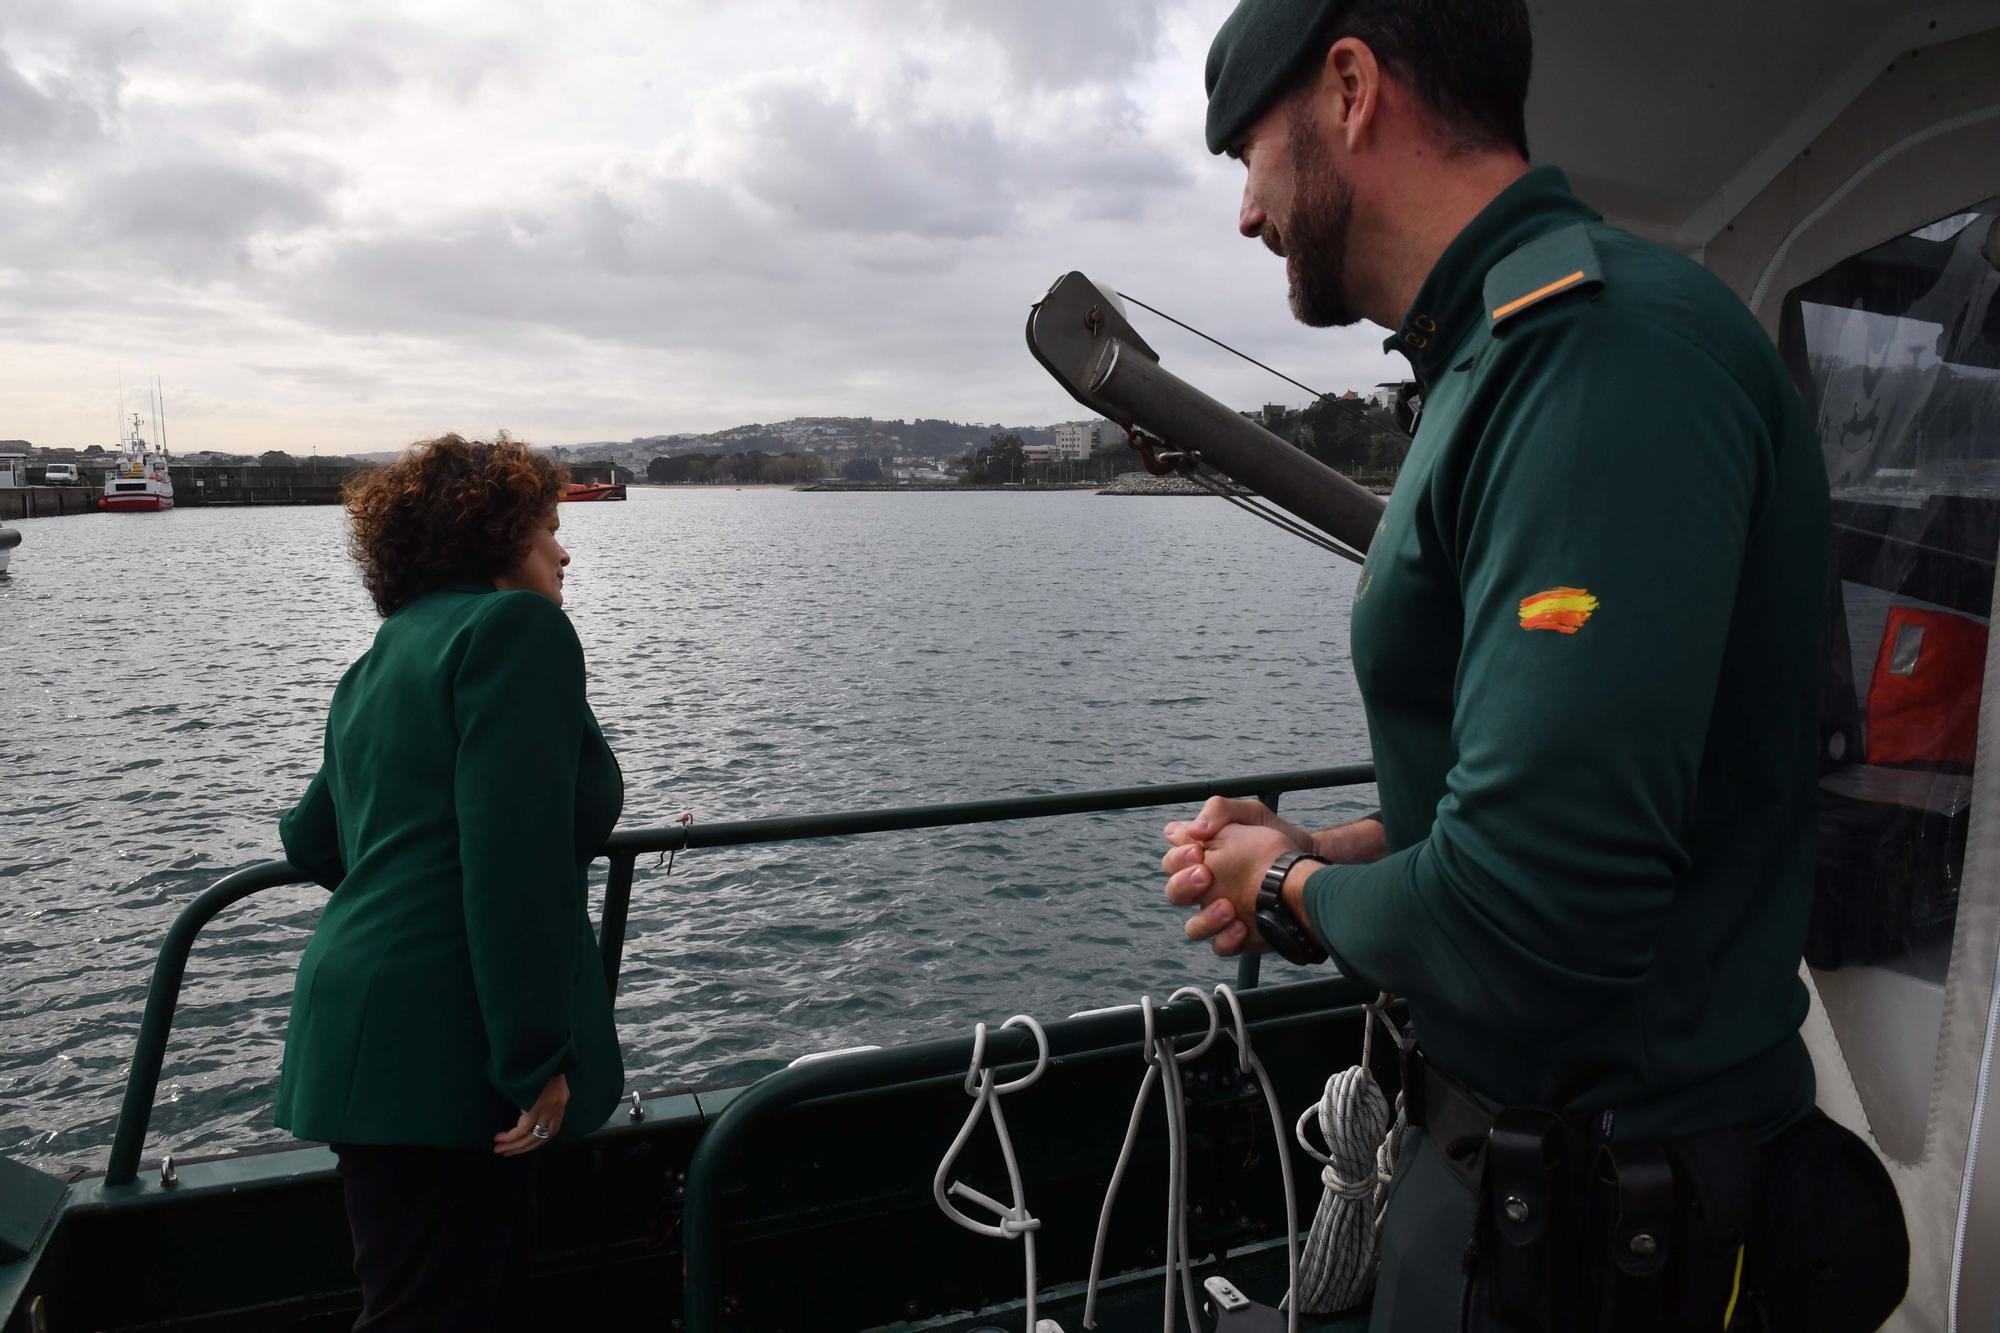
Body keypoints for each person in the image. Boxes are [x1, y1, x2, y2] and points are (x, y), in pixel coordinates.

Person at [1158, 2, 1860, 1329]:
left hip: (1613, 1236)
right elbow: (1512, 814)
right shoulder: (1495, 357)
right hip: (1525, 1196)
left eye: (1246, 155)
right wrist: (1342, 853)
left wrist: (1292, 887)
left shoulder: (1596, 351)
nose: (1247, 213)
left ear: (1351, 91)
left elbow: (1539, 909)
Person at [275, 434, 624, 1331]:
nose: (563, 549)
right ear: (496, 534)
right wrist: (536, 1057)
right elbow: (517, 867)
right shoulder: (520, 632)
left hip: (361, 1024)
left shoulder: (388, 651)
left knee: (425, 1300)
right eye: (548, 528)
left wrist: (403, 871)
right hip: (450, 1047)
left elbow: (312, 838)